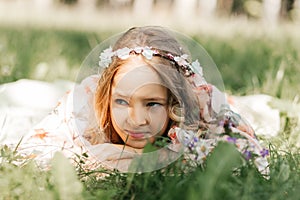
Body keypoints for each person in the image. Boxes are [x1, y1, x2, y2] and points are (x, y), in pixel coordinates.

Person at [12, 26, 268, 174]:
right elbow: (29, 154)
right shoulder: (85, 100)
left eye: (152, 103)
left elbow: (252, 156)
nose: (135, 120)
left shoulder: (204, 101)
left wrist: (163, 159)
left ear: (176, 101)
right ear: (107, 93)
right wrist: (97, 159)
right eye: (121, 102)